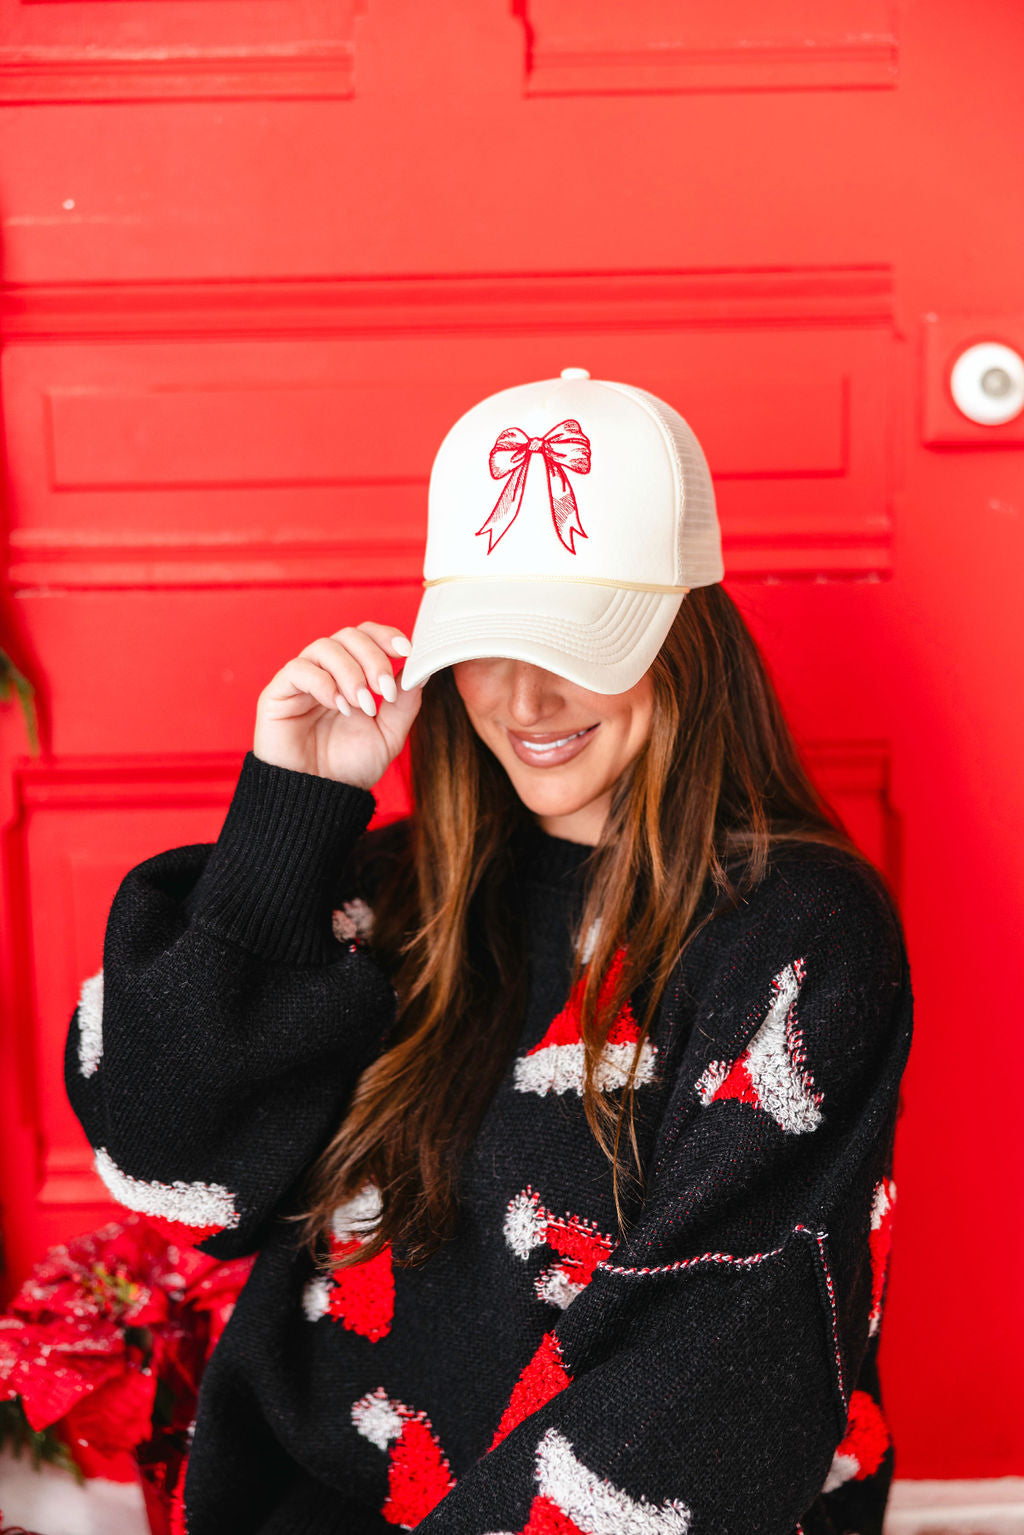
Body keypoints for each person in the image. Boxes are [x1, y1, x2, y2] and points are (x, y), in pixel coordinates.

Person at [65, 369, 912, 1535]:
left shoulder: (795, 934)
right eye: (487, 641)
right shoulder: (390, 895)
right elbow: (164, 1158)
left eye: (575, 640)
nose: (523, 695)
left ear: (684, 636)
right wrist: (289, 820)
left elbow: (713, 1373)